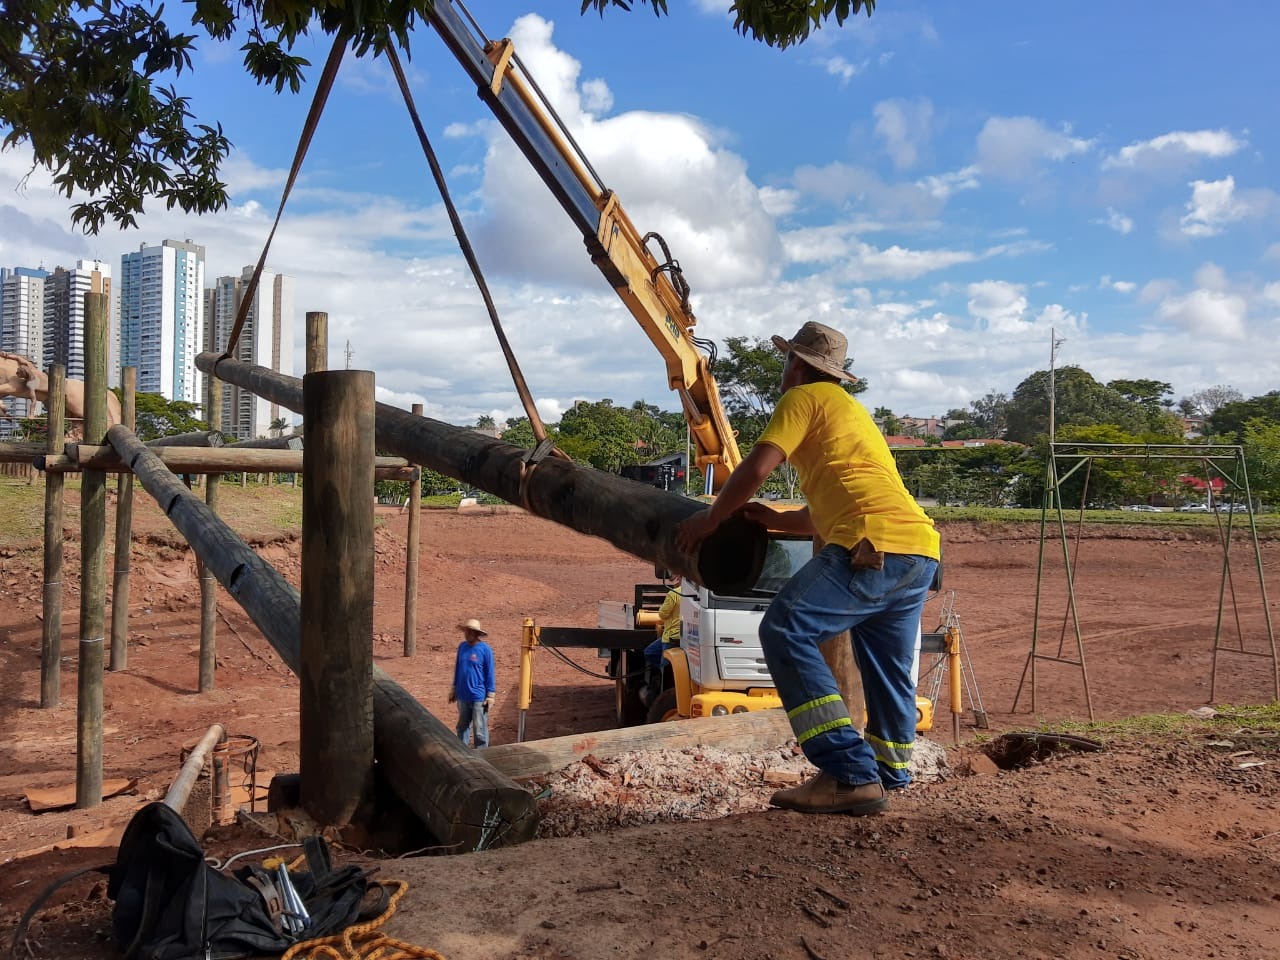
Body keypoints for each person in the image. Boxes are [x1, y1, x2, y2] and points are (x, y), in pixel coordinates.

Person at [676, 321, 939, 817]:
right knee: (886, 668)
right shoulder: (852, 413)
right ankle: (888, 772)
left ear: (796, 363)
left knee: (785, 628)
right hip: (918, 551)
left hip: (871, 547)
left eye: (786, 363)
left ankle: (848, 773)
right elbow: (840, 499)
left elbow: (757, 466)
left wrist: (711, 518)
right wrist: (779, 519)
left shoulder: (803, 398)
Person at [449, 618, 496, 748]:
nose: (467, 634)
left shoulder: (485, 649)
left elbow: (490, 672)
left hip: (478, 697)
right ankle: (463, 752)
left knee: (480, 730)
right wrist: (454, 688)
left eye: (470, 632)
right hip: (463, 695)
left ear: (476, 634)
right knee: (462, 727)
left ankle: (482, 755)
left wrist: (491, 694)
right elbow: (458, 668)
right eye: (466, 631)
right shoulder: (462, 647)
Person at [641, 577, 683, 703]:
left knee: (659, 662)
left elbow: (663, 614)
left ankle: (662, 690)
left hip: (670, 636)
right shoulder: (695, 595)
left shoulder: (674, 593)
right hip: (684, 636)